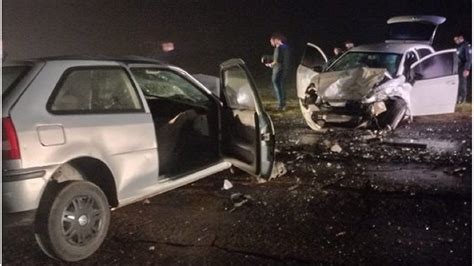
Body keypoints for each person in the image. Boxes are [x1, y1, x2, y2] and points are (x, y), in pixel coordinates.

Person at [264, 33, 290, 111]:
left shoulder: (279, 48)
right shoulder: (285, 47)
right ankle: (283, 103)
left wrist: (269, 65)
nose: (271, 43)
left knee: (277, 86)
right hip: (283, 69)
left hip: (278, 70)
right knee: (281, 86)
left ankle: (280, 104)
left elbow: (276, 61)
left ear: (276, 40)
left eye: (271, 41)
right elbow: (278, 58)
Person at [454, 34, 472, 103]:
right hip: (457, 67)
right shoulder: (459, 46)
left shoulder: (466, 46)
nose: (455, 40)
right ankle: (458, 98)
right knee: (458, 83)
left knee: (462, 83)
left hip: (463, 67)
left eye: (457, 39)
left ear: (461, 38)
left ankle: (462, 99)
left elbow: (469, 58)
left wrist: (467, 69)